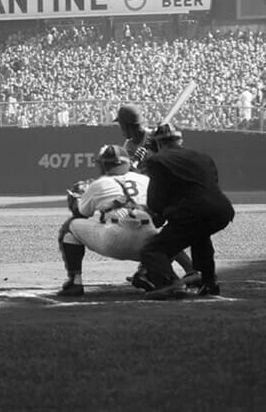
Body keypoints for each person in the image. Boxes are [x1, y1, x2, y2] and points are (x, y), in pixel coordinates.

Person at [58, 144, 172, 297]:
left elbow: (81, 214)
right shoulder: (145, 179)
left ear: (104, 165)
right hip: (149, 244)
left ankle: (75, 282)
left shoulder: (98, 184)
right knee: (171, 234)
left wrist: (76, 201)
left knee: (70, 227)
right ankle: (146, 272)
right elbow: (159, 212)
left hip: (114, 240)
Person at [139, 124, 235, 299]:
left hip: (193, 211)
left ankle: (170, 283)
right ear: (180, 140)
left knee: (151, 250)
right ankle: (209, 283)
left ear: (157, 144)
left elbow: (155, 202)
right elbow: (208, 186)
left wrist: (159, 214)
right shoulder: (204, 157)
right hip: (222, 210)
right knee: (200, 235)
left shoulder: (156, 161)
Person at [111, 103, 196, 290]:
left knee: (153, 234)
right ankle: (156, 269)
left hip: (169, 192)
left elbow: (174, 158)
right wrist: (136, 164)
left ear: (128, 125)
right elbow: (132, 173)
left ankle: (166, 271)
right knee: (152, 234)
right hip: (151, 194)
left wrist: (152, 155)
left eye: (121, 125)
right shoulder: (129, 145)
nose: (120, 129)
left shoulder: (156, 137)